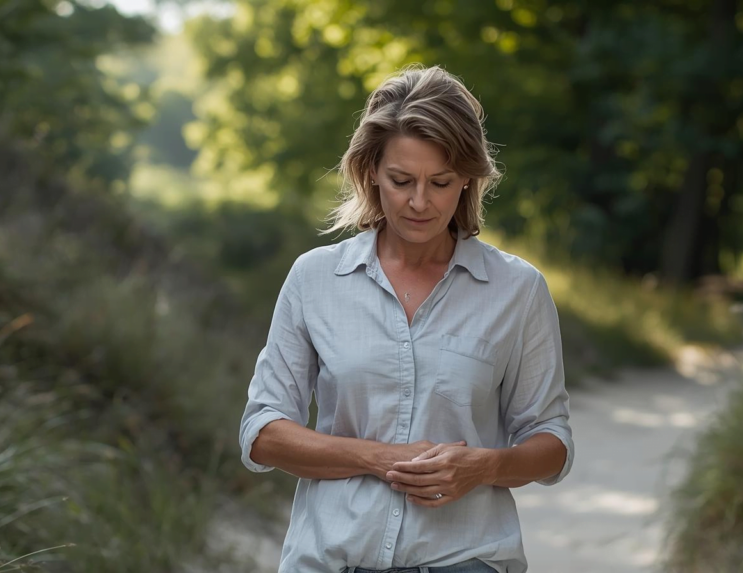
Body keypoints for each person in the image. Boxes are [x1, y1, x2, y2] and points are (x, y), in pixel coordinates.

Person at [238, 63, 575, 573]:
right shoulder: (315, 279)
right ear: (370, 171)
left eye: (440, 182)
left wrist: (483, 467)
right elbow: (262, 433)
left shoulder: (517, 290)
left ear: (467, 179)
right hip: (331, 558)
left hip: (465, 558)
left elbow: (551, 442)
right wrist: (380, 457)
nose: (420, 202)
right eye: (401, 180)